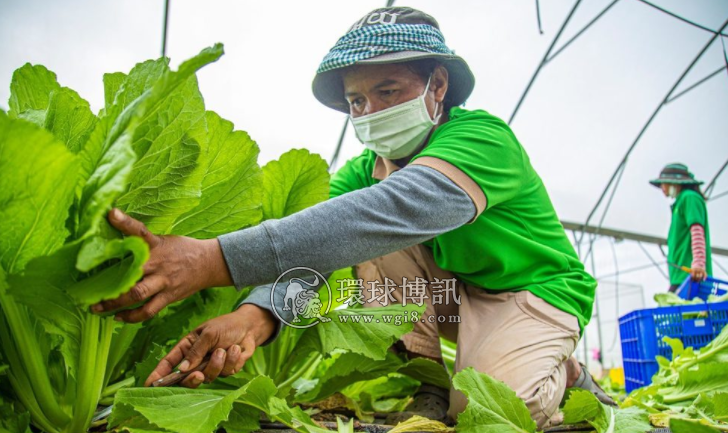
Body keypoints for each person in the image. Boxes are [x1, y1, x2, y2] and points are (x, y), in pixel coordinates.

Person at [94, 7, 612, 428]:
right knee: (344, 244)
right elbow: (321, 243)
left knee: (493, 415)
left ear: (437, 85)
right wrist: (256, 317)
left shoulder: (482, 139)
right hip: (456, 296)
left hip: (530, 293)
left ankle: (564, 376)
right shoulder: (366, 171)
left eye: (387, 92)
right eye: (357, 101)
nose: (369, 113)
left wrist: (212, 259)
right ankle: (430, 386)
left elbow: (391, 211)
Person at [650, 163, 712, 292]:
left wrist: (699, 264)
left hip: (692, 277)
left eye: (663, 183)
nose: (662, 187)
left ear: (674, 183)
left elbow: (696, 230)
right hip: (680, 277)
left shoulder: (689, 197)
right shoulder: (678, 203)